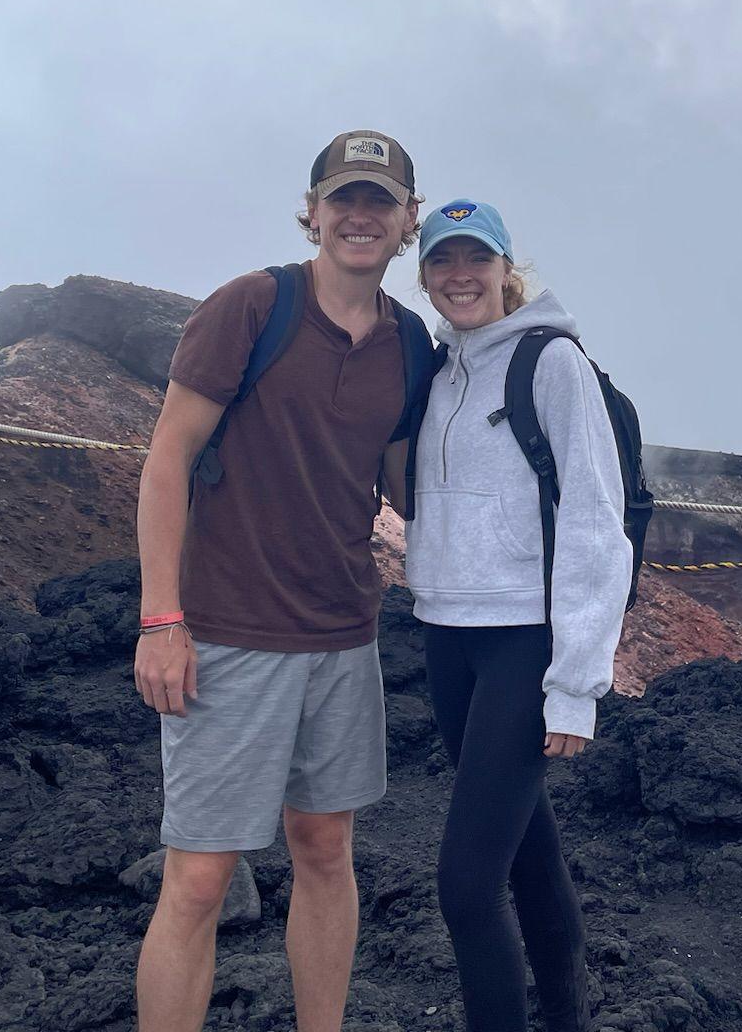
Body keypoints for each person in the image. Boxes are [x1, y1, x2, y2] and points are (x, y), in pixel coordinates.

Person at [133, 130, 429, 1032]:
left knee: (327, 848)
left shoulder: (409, 345)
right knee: (197, 879)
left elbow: (408, 490)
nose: (360, 216)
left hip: (344, 634)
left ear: (407, 222)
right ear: (312, 211)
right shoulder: (253, 307)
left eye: (379, 202)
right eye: (344, 198)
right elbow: (166, 460)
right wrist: (161, 621)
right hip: (227, 633)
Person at [404, 198, 632, 1032]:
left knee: (465, 887)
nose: (460, 277)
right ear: (424, 274)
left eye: (477, 259)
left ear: (508, 269)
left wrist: (576, 681)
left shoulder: (551, 362)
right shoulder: (438, 369)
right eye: (442, 261)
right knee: (527, 851)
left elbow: (595, 522)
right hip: (446, 639)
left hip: (522, 646)